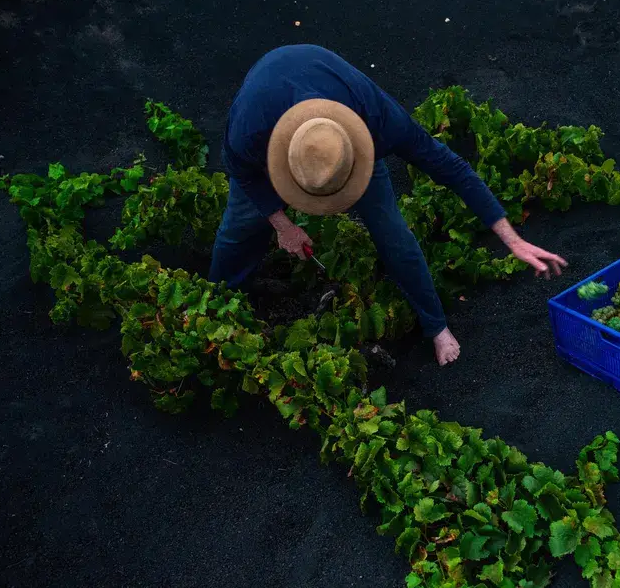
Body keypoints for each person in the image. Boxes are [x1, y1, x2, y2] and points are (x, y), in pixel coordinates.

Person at [209, 44, 567, 365]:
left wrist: (512, 240)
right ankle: (215, 305)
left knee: (393, 234)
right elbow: (241, 171)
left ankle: (436, 327)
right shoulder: (250, 131)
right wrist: (283, 225)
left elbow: (452, 169)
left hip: (331, 106)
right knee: (239, 228)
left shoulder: (379, 121)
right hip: (273, 102)